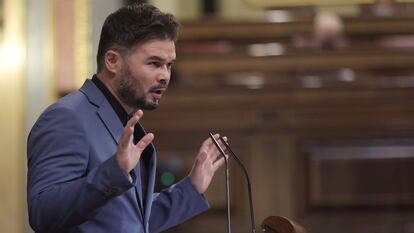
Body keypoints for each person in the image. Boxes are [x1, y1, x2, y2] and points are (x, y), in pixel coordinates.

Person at [27, 3, 226, 233]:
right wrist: (114, 172)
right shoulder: (66, 118)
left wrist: (191, 188)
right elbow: (43, 213)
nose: (165, 76)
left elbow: (131, 223)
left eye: (169, 65)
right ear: (112, 61)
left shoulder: (123, 120)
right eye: (154, 63)